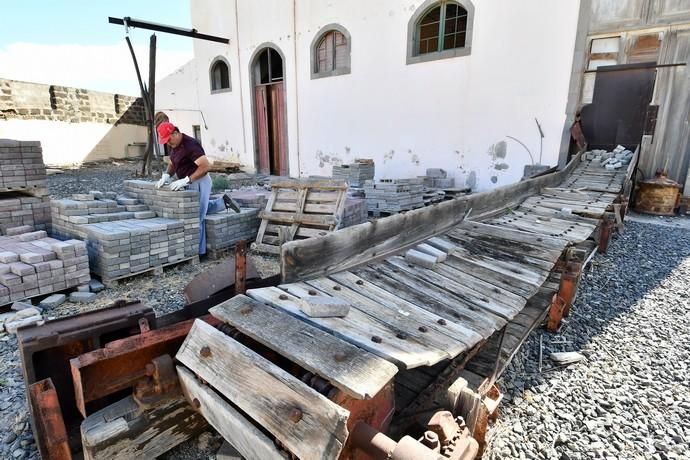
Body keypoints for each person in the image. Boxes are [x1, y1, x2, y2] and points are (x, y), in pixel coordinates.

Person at [156, 122, 239, 256]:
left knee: (197, 217)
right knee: (200, 209)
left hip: (199, 180)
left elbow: (205, 167)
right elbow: (172, 163)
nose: (168, 144)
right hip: (187, 182)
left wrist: (187, 179)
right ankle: (223, 203)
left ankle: (199, 253)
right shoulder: (174, 145)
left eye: (169, 139)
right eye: (165, 141)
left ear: (175, 133)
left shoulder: (191, 145)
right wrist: (166, 175)